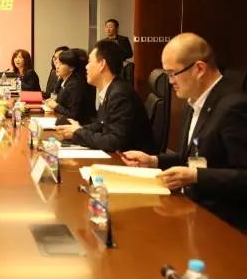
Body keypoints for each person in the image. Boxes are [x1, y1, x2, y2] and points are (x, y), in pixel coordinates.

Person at [122, 33, 247, 231]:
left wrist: (195, 176)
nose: (170, 81)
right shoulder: (192, 102)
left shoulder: (234, 106)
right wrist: (153, 161)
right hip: (192, 210)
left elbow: (243, 176)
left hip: (223, 224)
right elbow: (190, 159)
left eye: (172, 73)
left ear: (199, 69)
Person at [56, 40, 156, 153]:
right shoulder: (111, 89)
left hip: (130, 160)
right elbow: (102, 124)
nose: (86, 67)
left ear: (102, 64)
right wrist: (80, 129)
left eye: (89, 62)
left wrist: (79, 133)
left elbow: (115, 141)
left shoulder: (119, 94)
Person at [45, 48, 96, 124]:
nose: (57, 66)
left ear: (71, 68)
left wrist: (56, 106)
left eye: (61, 64)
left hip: (79, 125)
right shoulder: (67, 80)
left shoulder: (75, 84)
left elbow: (73, 114)